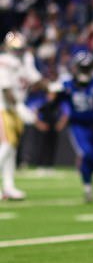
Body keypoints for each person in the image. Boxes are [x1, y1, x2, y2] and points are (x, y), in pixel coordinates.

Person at [55, 51, 93, 203]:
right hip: (78, 125)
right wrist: (57, 116)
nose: (85, 71)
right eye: (83, 67)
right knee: (86, 153)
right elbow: (56, 102)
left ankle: (88, 178)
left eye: (87, 68)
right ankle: (87, 185)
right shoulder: (67, 85)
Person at [0, 31, 42, 200]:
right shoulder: (4, 62)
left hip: (14, 108)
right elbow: (6, 88)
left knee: (12, 149)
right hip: (3, 107)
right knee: (7, 145)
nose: (17, 52)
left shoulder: (26, 60)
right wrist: (19, 106)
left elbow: (35, 80)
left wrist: (53, 86)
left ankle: (8, 186)